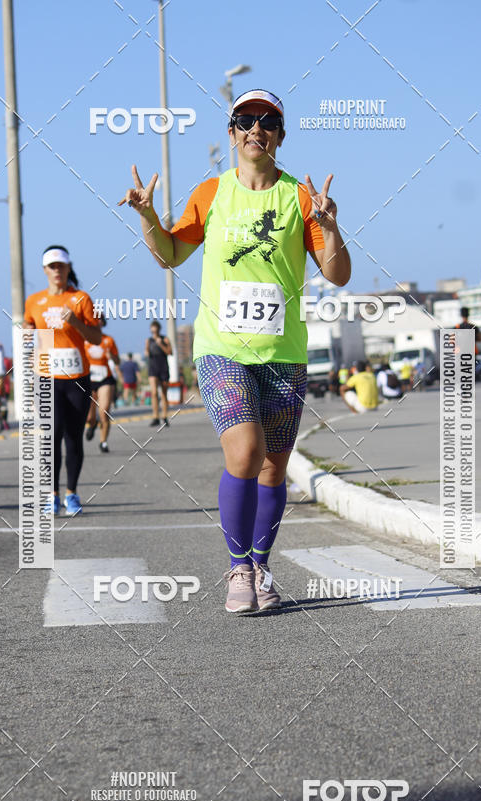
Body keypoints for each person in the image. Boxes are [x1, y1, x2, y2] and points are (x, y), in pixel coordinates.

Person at [120, 87, 351, 613]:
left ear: (281, 136)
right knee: (245, 453)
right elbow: (171, 255)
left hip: (283, 352)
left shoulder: (299, 198)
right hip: (221, 348)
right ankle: (238, 567)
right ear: (231, 133)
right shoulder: (211, 192)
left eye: (267, 121)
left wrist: (331, 228)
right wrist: (147, 217)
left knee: (273, 466)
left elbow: (337, 275)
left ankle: (261, 565)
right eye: (244, 119)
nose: (256, 129)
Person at [23, 245, 102, 515]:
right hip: (46, 377)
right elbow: (29, 337)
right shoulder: (33, 301)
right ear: (45, 270)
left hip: (77, 377)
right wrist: (28, 333)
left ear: (68, 268)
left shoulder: (80, 298)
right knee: (51, 434)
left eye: (61, 266)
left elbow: (96, 338)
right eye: (52, 266)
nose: (57, 271)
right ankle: (52, 495)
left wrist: (77, 323)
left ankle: (72, 494)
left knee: (73, 437)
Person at [85, 316, 120, 452]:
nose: (98, 322)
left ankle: (103, 442)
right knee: (89, 416)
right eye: (95, 319)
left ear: (103, 323)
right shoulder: (84, 340)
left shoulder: (108, 340)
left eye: (100, 319)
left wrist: (112, 356)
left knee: (104, 411)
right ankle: (92, 425)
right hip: (89, 379)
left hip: (105, 378)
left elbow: (118, 362)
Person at [145, 320, 172, 427]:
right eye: (152, 330)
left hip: (163, 367)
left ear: (159, 329)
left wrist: (161, 344)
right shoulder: (149, 340)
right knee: (154, 393)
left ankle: (164, 416)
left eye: (155, 330)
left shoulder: (164, 339)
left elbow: (170, 352)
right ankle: (155, 416)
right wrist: (147, 352)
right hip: (153, 368)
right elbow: (146, 352)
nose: (154, 332)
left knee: (163, 394)